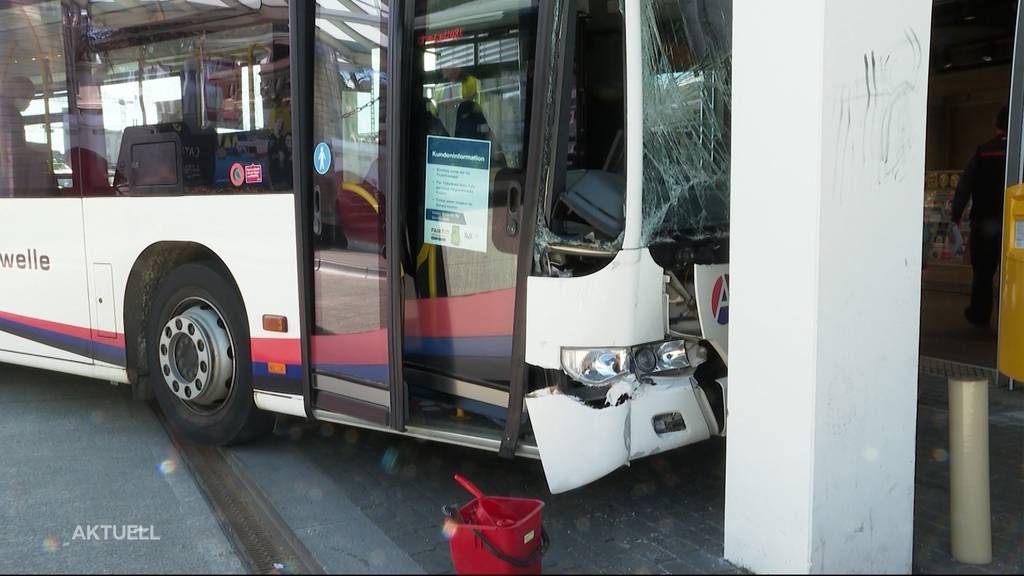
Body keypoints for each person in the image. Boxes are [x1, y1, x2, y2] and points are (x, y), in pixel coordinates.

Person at [952, 105, 1009, 326]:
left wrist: (955, 216)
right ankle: (1011, 317)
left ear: (996, 125)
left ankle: (979, 314)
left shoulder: (983, 151)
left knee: (983, 274)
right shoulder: (1018, 152)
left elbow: (964, 186)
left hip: (984, 222)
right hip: (1014, 226)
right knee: (1012, 273)